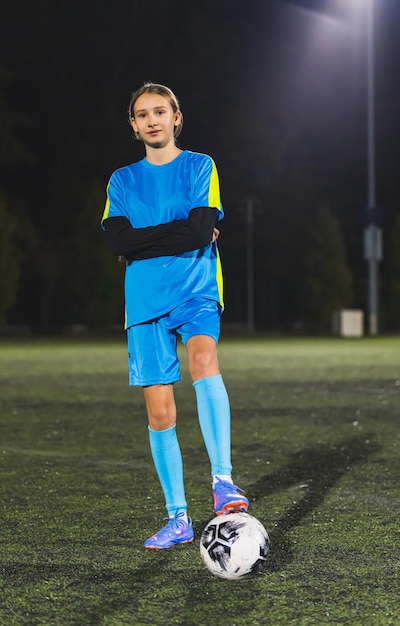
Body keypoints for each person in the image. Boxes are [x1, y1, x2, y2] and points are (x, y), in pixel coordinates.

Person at [101, 82, 249, 550]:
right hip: (143, 302)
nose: (152, 120)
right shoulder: (121, 181)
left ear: (176, 117)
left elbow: (200, 230)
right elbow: (118, 242)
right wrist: (183, 232)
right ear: (133, 125)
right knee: (160, 410)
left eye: (160, 111)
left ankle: (223, 480)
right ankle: (178, 518)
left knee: (204, 360)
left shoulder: (200, 166)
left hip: (195, 289)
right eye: (142, 114)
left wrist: (156, 238)